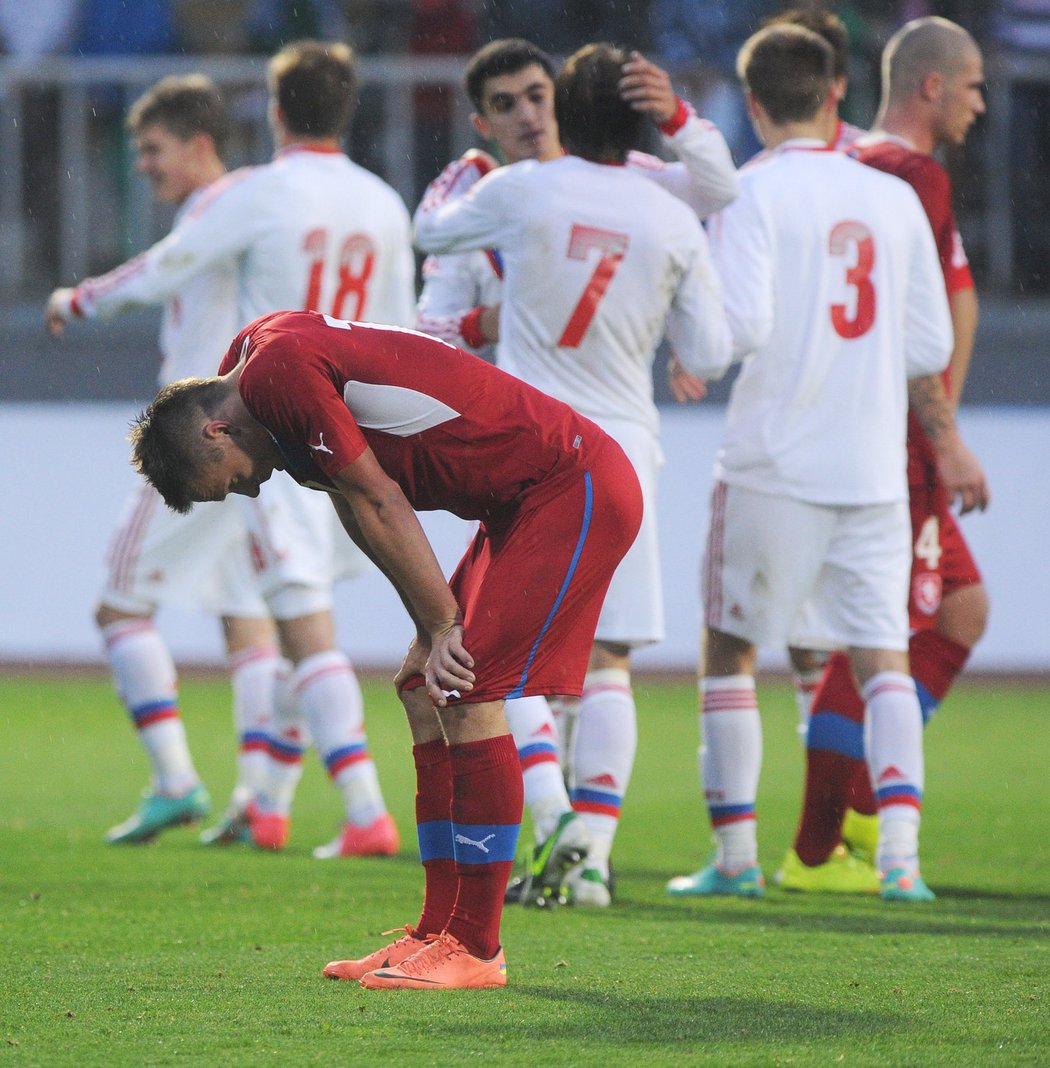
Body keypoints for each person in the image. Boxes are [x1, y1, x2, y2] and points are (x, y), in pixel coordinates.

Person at [129, 308, 644, 989]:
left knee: (463, 686)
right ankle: (437, 932)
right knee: (423, 687)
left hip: (569, 485)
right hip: (524, 501)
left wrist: (442, 629)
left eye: (229, 478)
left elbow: (379, 500)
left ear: (214, 428)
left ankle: (477, 948)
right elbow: (352, 496)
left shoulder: (276, 374)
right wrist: (430, 631)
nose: (250, 487)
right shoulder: (256, 366)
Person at [46, 42, 416, 858]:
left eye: (151, 150)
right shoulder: (385, 202)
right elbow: (400, 330)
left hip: (244, 433)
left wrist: (80, 297)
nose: (143, 165)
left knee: (270, 617)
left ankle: (355, 807)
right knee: (261, 621)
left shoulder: (251, 200)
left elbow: (166, 269)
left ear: (274, 111)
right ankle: (266, 799)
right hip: (338, 431)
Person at [416, 37, 738, 907]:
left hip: (534, 448)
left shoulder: (515, 192)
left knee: (507, 652)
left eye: (538, 97)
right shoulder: (657, 204)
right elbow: (712, 339)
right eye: (511, 103)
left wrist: (487, 309)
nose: (528, 114)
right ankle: (588, 855)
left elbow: (432, 249)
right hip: (625, 448)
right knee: (606, 660)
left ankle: (560, 825)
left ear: (559, 105)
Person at [662, 23, 963, 905]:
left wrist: (691, 342)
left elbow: (734, 333)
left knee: (729, 649)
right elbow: (930, 345)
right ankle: (901, 861)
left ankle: (736, 857)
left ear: (752, 105)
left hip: (772, 463)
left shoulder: (748, 194)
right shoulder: (891, 197)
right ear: (837, 93)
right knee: (884, 661)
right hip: (871, 470)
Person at [780, 15, 991, 893]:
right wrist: (943, 439)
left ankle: (849, 820)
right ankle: (825, 844)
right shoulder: (912, 176)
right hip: (899, 438)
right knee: (884, 631)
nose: (985, 102)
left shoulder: (856, 166)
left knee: (951, 613)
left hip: (862, 428)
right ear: (933, 86)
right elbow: (916, 329)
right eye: (975, 84)